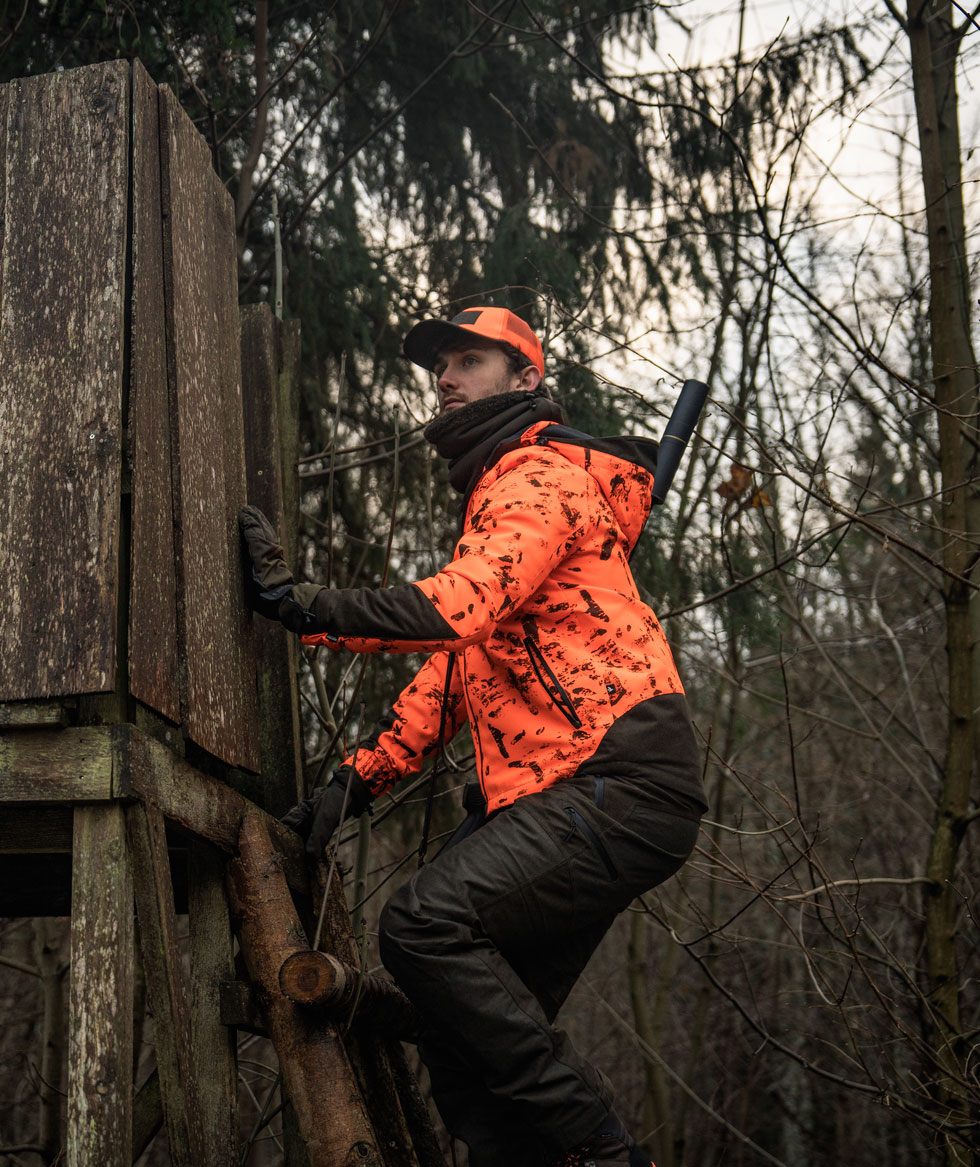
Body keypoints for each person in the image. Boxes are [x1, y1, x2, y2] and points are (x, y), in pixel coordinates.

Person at [239, 304, 707, 1167]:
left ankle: (602, 1151)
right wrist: (356, 780)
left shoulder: (536, 474)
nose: (445, 379)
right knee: (462, 1045)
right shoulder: (503, 491)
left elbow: (456, 610)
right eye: (439, 366)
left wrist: (303, 604)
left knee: (425, 923)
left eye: (468, 361)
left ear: (526, 378)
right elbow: (460, 668)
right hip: (563, 789)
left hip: (617, 780)